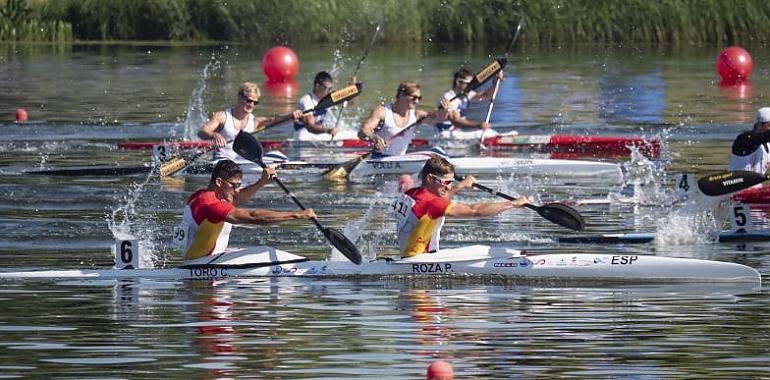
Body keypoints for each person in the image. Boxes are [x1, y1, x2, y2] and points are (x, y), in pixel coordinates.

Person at [393, 155, 528, 257]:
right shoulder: (431, 203)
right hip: (421, 260)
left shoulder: (411, 194)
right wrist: (513, 203)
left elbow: (437, 201)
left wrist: (461, 186)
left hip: (411, 257)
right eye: (446, 182)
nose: (449, 186)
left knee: (476, 250)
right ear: (429, 178)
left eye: (451, 182)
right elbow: (474, 211)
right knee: (481, 253)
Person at [179, 159, 316, 260]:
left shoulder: (204, 195)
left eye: (238, 185)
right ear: (219, 182)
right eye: (233, 185)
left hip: (205, 260)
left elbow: (237, 199)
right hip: (202, 268)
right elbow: (253, 217)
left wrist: (261, 182)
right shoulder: (210, 204)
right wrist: (296, 215)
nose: (236, 189)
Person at [198, 82, 302, 162]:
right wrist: (214, 135)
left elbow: (275, 120)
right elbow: (202, 132)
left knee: (278, 155)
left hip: (242, 162)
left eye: (255, 102)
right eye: (249, 101)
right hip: (222, 162)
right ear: (239, 97)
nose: (251, 105)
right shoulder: (222, 116)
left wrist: (291, 116)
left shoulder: (254, 122)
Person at [358, 81, 449, 157]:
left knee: (436, 151)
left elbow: (437, 119)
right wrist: (375, 138)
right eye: (414, 97)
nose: (417, 101)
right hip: (378, 159)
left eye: (419, 98)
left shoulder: (417, 115)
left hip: (400, 159)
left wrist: (444, 110)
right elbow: (363, 131)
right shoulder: (382, 112)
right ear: (401, 94)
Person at [434, 68, 503, 140]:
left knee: (488, 132)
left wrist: (495, 82)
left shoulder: (465, 95)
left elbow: (487, 95)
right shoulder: (449, 98)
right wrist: (478, 125)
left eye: (472, 84)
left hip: (457, 132)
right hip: (445, 134)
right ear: (458, 82)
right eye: (469, 84)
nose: (472, 87)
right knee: (486, 133)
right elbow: (456, 121)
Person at [293, 71, 349, 141]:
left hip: (318, 134)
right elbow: (310, 127)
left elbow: (350, 103)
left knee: (349, 134)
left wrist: (351, 89)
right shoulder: (307, 101)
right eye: (326, 88)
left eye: (330, 89)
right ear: (317, 86)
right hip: (304, 135)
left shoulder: (326, 98)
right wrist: (327, 130)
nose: (328, 92)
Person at [729, 107, 770, 174]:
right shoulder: (744, 139)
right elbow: (762, 137)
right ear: (759, 125)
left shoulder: (768, 144)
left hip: (757, 184)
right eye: (769, 125)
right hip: (735, 183)